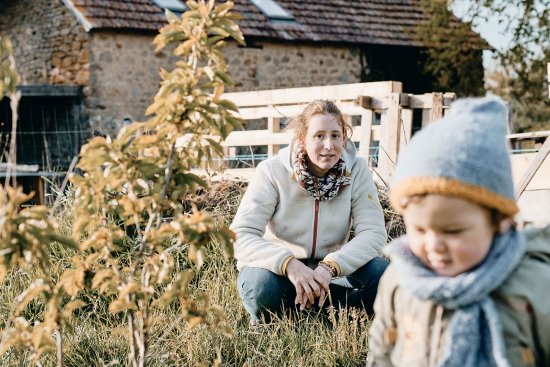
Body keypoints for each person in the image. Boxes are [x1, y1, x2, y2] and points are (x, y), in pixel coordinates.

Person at [367, 96, 550, 366]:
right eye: (418, 228)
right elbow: (382, 352)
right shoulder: (400, 279)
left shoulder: (534, 285)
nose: (433, 244)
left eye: (452, 231)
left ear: (500, 220)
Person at [230, 99, 388, 323]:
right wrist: (288, 264)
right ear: (303, 139)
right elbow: (240, 235)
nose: (328, 145)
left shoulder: (357, 170)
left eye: (335, 135)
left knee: (383, 275)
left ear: (344, 137)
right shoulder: (271, 171)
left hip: (332, 274)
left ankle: (317, 309)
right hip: (281, 274)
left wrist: (330, 266)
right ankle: (316, 310)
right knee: (260, 287)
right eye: (319, 135)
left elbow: (373, 234)